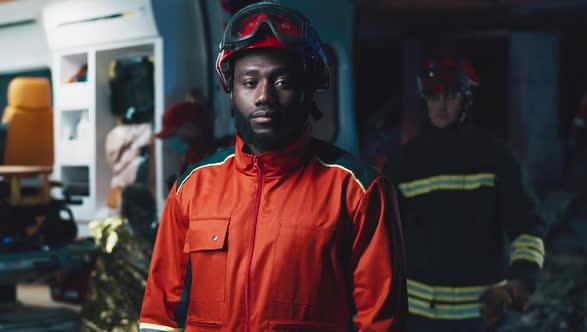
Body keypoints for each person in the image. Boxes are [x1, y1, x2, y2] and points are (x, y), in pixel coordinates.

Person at [139, 2, 407, 331]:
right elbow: (158, 314)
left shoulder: (358, 192)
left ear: (307, 92)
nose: (264, 96)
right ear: (232, 92)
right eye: (249, 83)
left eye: (282, 82)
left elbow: (381, 322)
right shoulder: (192, 188)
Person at [382, 54, 546, 332]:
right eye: (434, 97)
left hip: (481, 313)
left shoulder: (498, 158)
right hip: (418, 316)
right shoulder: (403, 163)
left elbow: (527, 227)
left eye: (451, 95)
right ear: (424, 101)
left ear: (466, 99)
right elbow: (381, 235)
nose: (442, 105)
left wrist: (521, 280)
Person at [80, 184, 158, 332]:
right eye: (141, 218)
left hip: (107, 318)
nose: (145, 222)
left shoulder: (115, 234)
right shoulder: (119, 238)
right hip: (121, 318)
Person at [154, 89, 216, 176]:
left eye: (174, 134)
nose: (175, 139)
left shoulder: (199, 159)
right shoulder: (192, 157)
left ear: (188, 126)